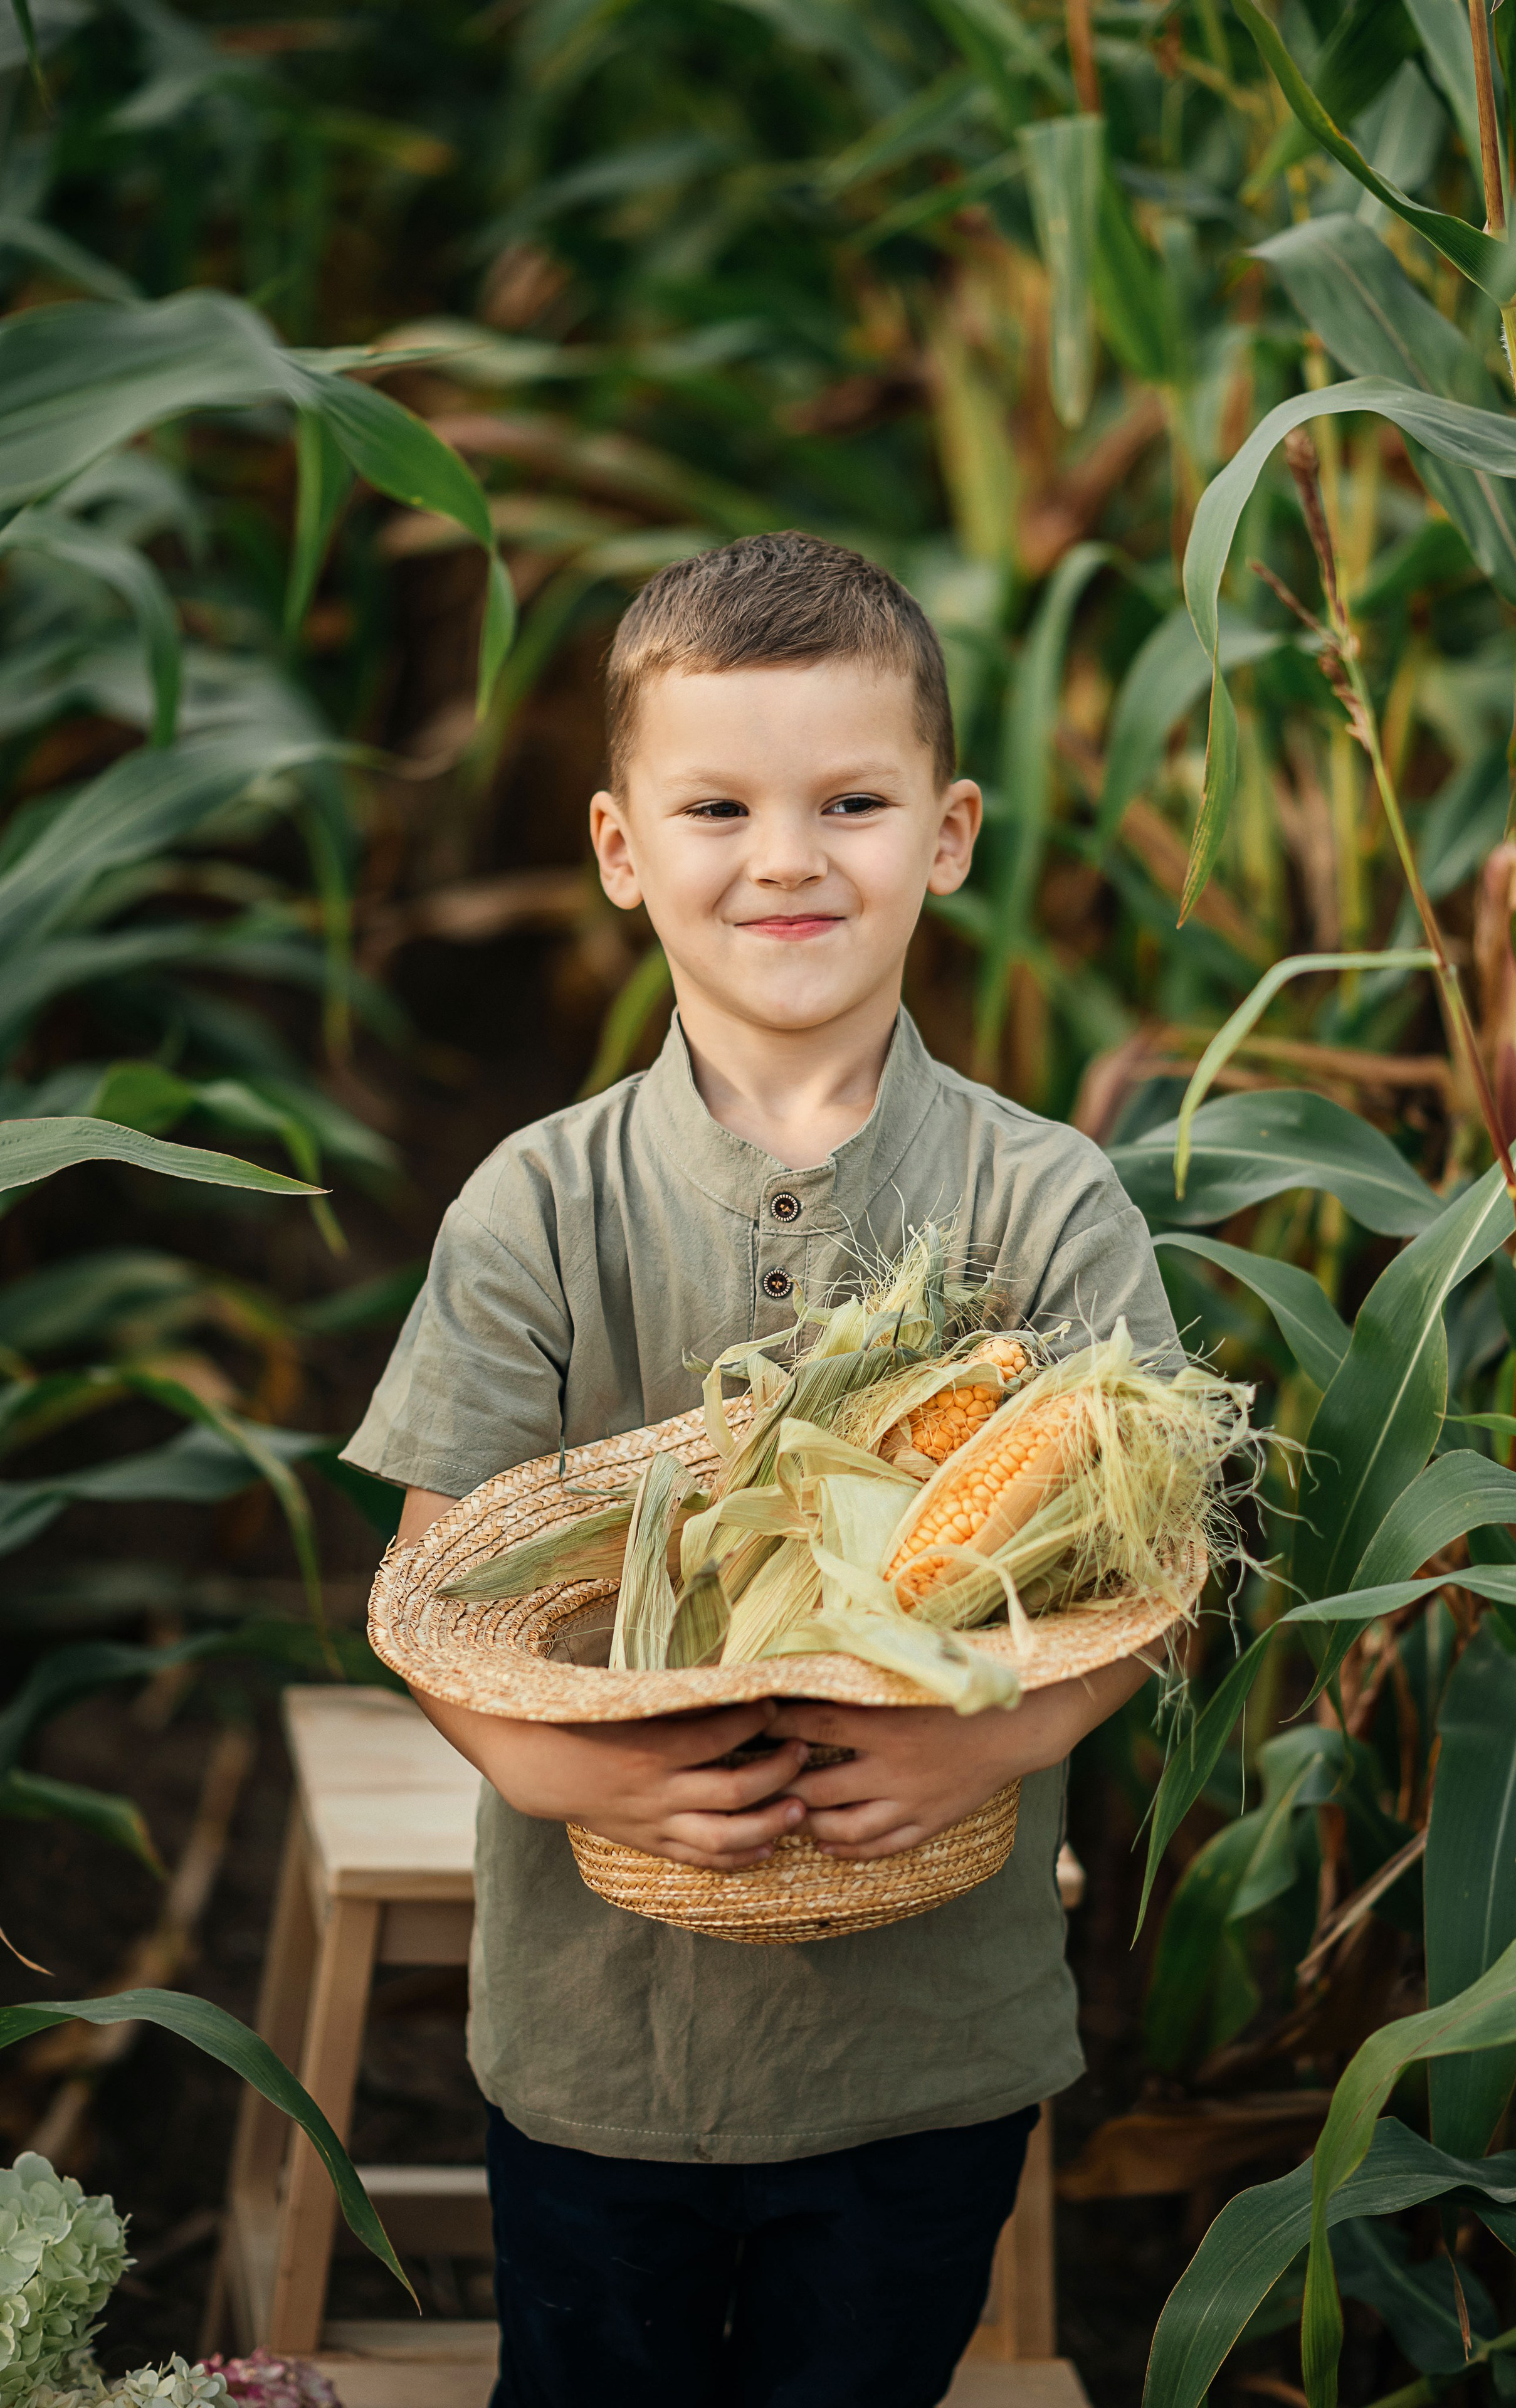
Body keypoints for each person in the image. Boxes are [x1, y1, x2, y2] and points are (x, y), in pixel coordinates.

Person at [343, 530, 1178, 2408]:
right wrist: (571, 1775)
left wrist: (990, 1743)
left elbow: (1148, 1581)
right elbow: (434, 1596)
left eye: (851, 803)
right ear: (620, 849)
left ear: (948, 835)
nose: (787, 858)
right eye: (718, 806)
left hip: (927, 2044)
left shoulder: (1044, 1204)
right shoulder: (538, 1209)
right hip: (603, 2039)